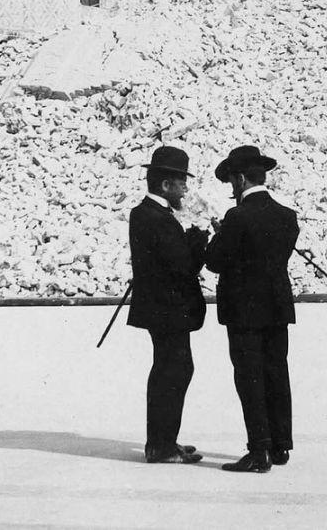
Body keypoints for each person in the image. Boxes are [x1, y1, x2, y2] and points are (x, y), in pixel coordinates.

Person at [205, 145, 300, 473]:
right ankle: (280, 446)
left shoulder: (237, 217)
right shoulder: (288, 217)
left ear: (241, 179)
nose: (231, 188)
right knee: (277, 373)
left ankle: (258, 451)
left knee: (250, 379)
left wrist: (219, 236)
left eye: (232, 182)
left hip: (244, 312)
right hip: (276, 309)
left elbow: (216, 261)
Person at [125, 145, 208, 465]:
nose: (186, 188)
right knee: (172, 370)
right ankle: (161, 446)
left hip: (162, 308)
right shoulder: (157, 218)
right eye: (181, 181)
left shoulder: (148, 213)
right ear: (165, 185)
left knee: (171, 369)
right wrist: (200, 239)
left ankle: (163, 441)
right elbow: (183, 266)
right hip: (168, 309)